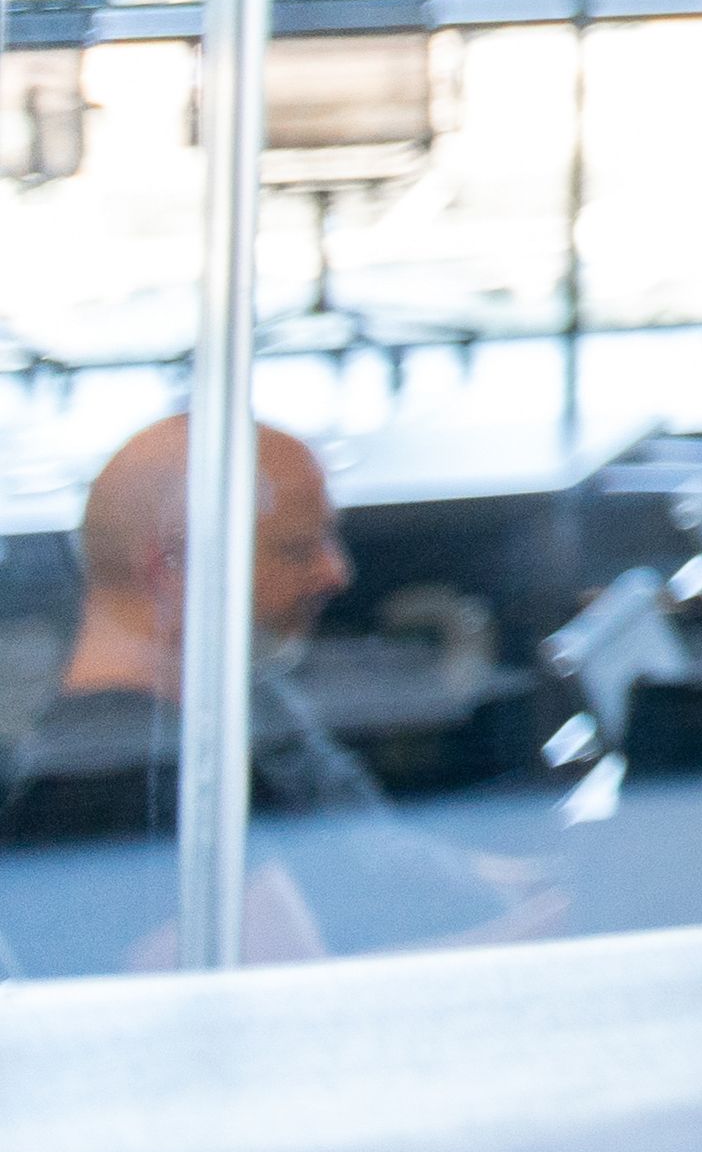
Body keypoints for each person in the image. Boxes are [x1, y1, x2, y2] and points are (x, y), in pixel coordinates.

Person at [1, 415, 530, 970]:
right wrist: (536, 943)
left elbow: (383, 864)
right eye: (299, 551)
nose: (336, 573)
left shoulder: (238, 706)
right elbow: (277, 1021)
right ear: (174, 564)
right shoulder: (116, 786)